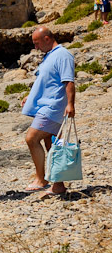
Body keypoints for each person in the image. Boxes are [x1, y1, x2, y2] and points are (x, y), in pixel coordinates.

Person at [21, 26, 76, 198]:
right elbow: (47, 81)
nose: (36, 47)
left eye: (37, 43)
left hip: (53, 107)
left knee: (31, 138)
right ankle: (58, 185)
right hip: (45, 106)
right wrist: (30, 97)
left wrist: (70, 104)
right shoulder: (49, 56)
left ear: (47, 38)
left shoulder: (62, 55)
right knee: (51, 144)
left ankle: (41, 179)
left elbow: (69, 82)